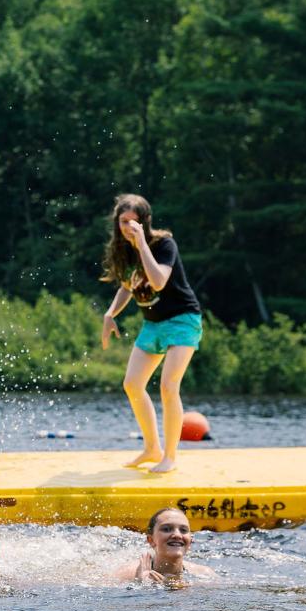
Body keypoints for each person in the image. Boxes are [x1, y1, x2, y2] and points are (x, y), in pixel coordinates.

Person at [98, 194, 203, 473]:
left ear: (145, 222)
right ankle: (151, 448)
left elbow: (157, 281)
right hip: (153, 325)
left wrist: (142, 242)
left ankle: (169, 456)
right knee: (132, 384)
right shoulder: (124, 252)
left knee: (169, 386)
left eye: (134, 221)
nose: (128, 226)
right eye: (123, 221)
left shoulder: (163, 244)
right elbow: (126, 287)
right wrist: (110, 314)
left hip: (182, 320)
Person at [113, 506, 214, 585]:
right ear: (151, 540)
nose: (177, 535)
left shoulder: (204, 574)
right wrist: (140, 585)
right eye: (166, 529)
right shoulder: (126, 575)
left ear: (190, 541)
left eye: (183, 530)